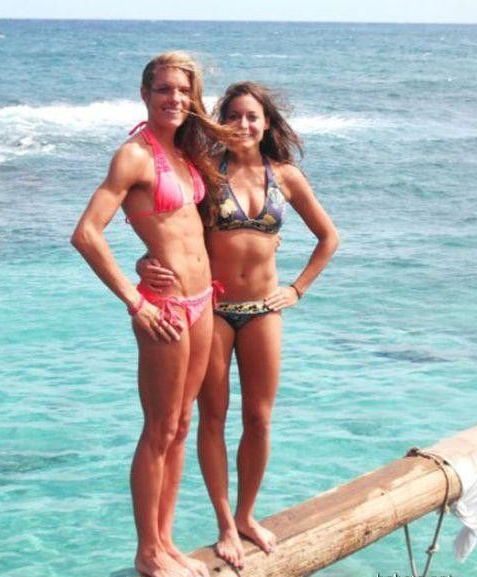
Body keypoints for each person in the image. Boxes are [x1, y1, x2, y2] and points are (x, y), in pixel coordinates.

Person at [138, 81, 340, 569]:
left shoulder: (285, 176)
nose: (243, 125)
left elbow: (328, 237)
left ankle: (248, 515)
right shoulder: (206, 173)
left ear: (267, 123)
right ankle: (225, 524)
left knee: (259, 419)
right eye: (233, 116)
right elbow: (173, 231)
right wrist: (146, 261)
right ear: (220, 122)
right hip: (214, 310)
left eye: (252, 116)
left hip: (263, 310)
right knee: (212, 418)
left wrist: (296, 289)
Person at [71, 52, 229, 577]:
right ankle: (147, 552)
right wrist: (135, 300)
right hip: (164, 308)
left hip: (202, 300)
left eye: (183, 90)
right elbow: (86, 234)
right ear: (145, 93)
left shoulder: (185, 152)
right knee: (159, 428)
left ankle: (166, 541)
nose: (174, 99)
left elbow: (182, 228)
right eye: (164, 89)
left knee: (182, 425)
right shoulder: (134, 156)